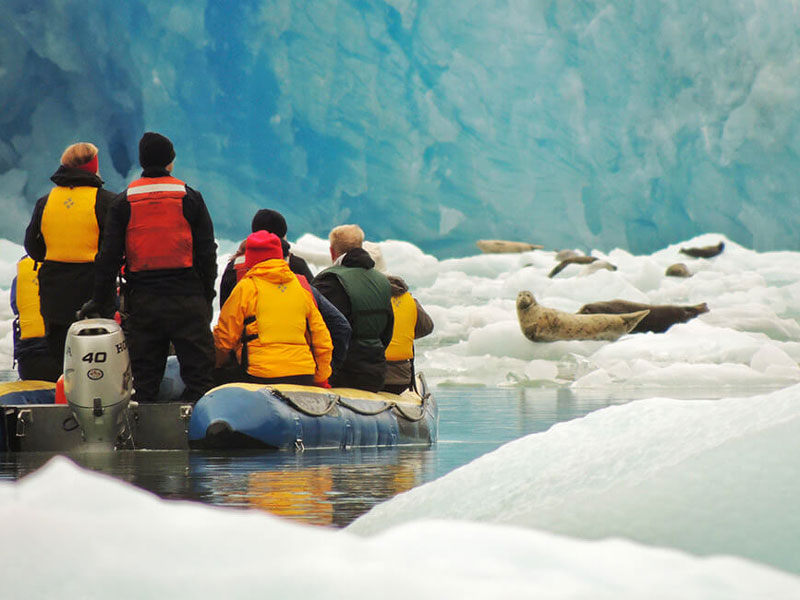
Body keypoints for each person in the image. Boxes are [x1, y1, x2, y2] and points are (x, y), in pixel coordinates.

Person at [82, 132, 217, 403]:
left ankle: (141, 434)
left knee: (144, 383)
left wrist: (100, 300)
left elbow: (107, 258)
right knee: (199, 379)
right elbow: (206, 252)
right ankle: (199, 434)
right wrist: (207, 295)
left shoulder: (124, 202)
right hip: (187, 299)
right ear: (170, 161)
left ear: (143, 162)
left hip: (144, 303)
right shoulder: (190, 197)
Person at [23, 142, 116, 367]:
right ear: (94, 166)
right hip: (93, 288)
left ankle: (62, 396)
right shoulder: (106, 201)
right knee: (95, 356)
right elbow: (113, 248)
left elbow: (32, 247)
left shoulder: (45, 202)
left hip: (53, 290)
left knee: (62, 357)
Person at [214, 231, 332, 385]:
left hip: (261, 374)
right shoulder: (300, 289)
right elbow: (322, 338)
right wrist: (320, 377)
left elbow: (225, 339)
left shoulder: (246, 288)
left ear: (250, 259)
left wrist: (217, 365)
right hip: (302, 373)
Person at [312, 225, 393, 392]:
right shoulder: (382, 281)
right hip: (376, 370)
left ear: (332, 251)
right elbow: (388, 330)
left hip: (342, 373)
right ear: (360, 246)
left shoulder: (330, 281)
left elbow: (320, 329)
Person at [363, 242, 434, 394]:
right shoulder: (407, 298)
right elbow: (427, 326)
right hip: (401, 378)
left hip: (367, 376)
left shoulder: (362, 295)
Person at [219, 208, 314, 307]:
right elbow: (316, 305)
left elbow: (225, 310)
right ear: (283, 236)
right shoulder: (295, 265)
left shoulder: (235, 266)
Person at [9, 255, 61, 381]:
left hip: (29, 360)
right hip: (66, 360)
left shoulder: (22, 276)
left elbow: (16, 308)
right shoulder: (75, 271)